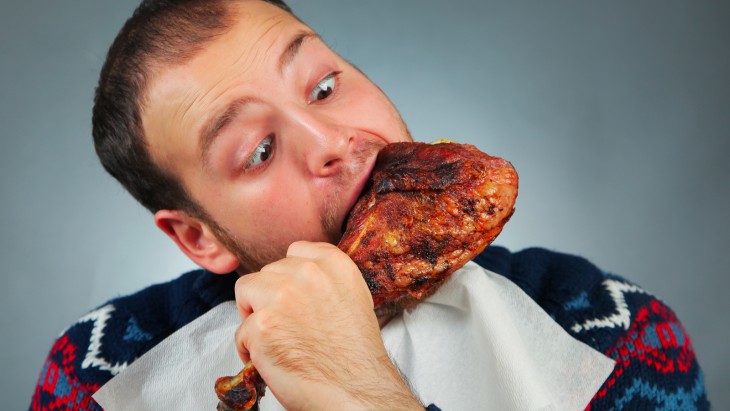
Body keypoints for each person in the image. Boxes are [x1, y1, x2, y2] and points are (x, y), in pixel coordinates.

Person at [30, 1, 709, 410]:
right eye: (258, 150)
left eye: (324, 87)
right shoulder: (99, 374)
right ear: (200, 236)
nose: (333, 142)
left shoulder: (613, 329)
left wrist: (360, 391)